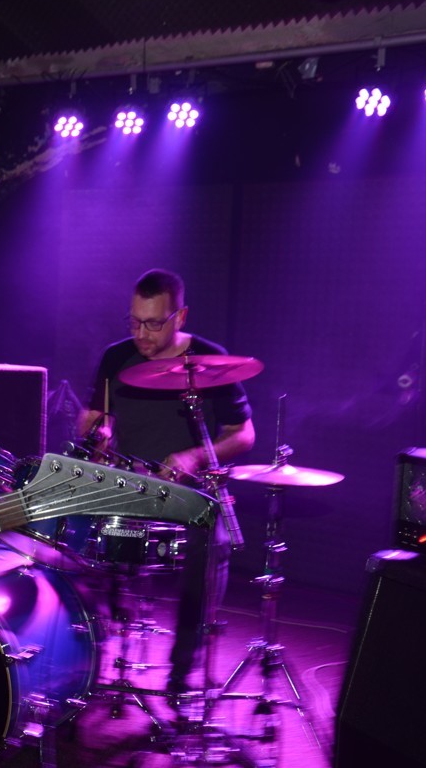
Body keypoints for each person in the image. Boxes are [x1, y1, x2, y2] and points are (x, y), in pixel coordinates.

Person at [77, 268, 254, 703]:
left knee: (208, 548)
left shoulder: (210, 360)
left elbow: (244, 434)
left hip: (188, 494)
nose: (141, 334)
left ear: (180, 316)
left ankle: (181, 673)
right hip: (127, 485)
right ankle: (84, 661)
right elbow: (92, 418)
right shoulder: (116, 357)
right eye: (134, 321)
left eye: (153, 323)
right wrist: (96, 431)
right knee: (71, 536)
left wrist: (195, 456)